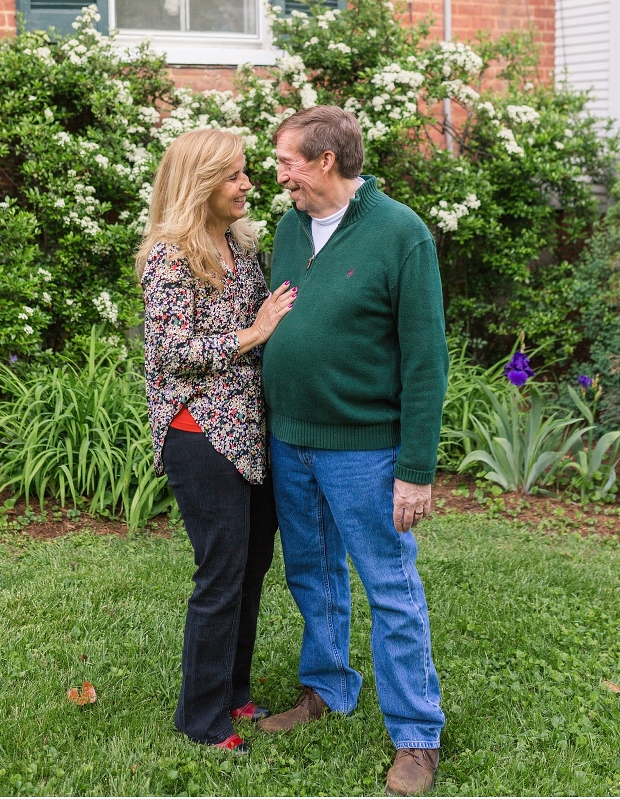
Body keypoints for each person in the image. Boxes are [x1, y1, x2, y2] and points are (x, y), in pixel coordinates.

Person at [258, 106, 449, 797]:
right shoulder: (289, 225)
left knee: (390, 587)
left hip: (365, 450)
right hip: (291, 440)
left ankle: (417, 734)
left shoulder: (401, 234)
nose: (277, 175)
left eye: (287, 162)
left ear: (327, 160)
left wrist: (415, 470)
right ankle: (328, 688)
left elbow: (428, 361)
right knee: (312, 573)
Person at [137, 128, 296, 754]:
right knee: (222, 573)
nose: (248, 185)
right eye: (234, 175)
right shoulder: (169, 256)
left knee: (252, 566)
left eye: (247, 172)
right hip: (199, 432)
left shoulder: (236, 244)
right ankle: (200, 717)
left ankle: (232, 690)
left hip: (250, 428)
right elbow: (170, 353)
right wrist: (253, 335)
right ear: (201, 182)